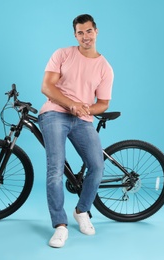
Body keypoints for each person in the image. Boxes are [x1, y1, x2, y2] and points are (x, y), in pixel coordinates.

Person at [38, 14, 114, 248]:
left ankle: (82, 211)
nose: (85, 37)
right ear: (75, 35)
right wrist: (71, 104)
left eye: (89, 31)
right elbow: (46, 87)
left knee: (97, 165)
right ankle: (60, 226)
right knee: (55, 168)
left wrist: (85, 109)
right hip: (54, 113)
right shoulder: (62, 54)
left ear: (96, 31)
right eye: (80, 33)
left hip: (82, 119)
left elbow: (104, 103)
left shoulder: (104, 67)